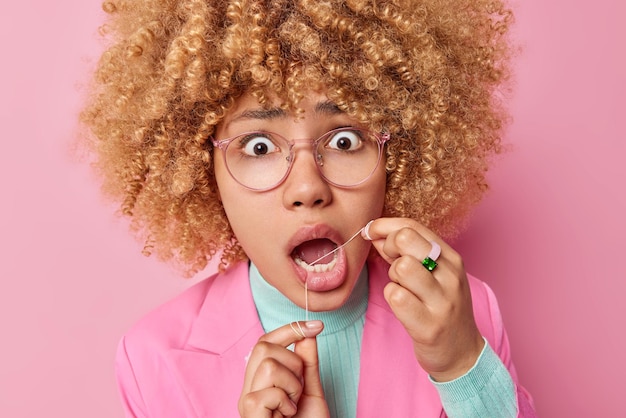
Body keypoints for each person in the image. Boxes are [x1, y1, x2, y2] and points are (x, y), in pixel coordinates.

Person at [81, 0, 537, 416]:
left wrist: (463, 369)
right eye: (258, 147)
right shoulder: (154, 361)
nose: (307, 187)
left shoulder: (466, 314)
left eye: (344, 140)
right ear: (201, 171)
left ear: (398, 156)